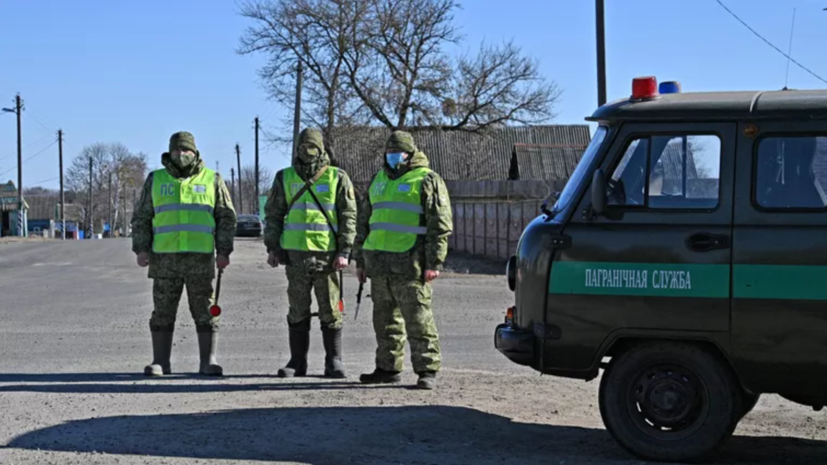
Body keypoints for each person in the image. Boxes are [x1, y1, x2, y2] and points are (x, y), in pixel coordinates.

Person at [353, 130, 453, 390]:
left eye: (397, 152)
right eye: (388, 152)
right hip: (379, 265)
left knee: (419, 320)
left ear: (410, 154)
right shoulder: (378, 180)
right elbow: (364, 223)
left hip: (412, 264)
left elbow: (439, 226)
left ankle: (427, 370)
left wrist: (434, 263)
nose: (392, 156)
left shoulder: (427, 179)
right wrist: (361, 262)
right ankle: (387, 368)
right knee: (384, 322)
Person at [131, 131, 237, 377]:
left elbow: (226, 218)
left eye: (186, 150)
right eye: (177, 150)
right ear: (169, 152)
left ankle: (208, 361)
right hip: (164, 259)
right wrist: (141, 248)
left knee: (204, 308)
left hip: (200, 259)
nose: (181, 154)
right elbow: (142, 217)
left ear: (195, 152)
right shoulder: (155, 179)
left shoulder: (213, 179)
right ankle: (160, 362)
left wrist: (224, 251)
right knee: (162, 310)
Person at [264, 128, 357, 378]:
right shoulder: (283, 177)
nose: (307, 151)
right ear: (296, 149)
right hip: (294, 255)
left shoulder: (337, 177)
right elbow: (273, 215)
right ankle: (297, 362)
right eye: (303, 146)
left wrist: (345, 250)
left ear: (322, 149)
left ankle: (333, 361)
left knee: (330, 309)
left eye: (312, 146)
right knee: (297, 308)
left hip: (328, 256)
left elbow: (348, 216)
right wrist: (272, 247)